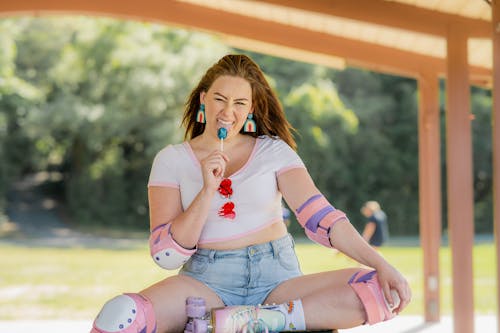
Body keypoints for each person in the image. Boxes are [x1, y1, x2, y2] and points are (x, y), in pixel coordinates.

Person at [90, 54, 411, 333]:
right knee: (119, 318)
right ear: (203, 99)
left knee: (379, 290)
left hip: (279, 281)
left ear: (252, 108)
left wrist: (381, 264)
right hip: (206, 282)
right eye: (219, 99)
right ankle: (243, 318)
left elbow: (320, 218)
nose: (228, 111)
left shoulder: (274, 152)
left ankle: (261, 319)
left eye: (240, 103)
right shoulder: (171, 160)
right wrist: (207, 191)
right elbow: (166, 256)